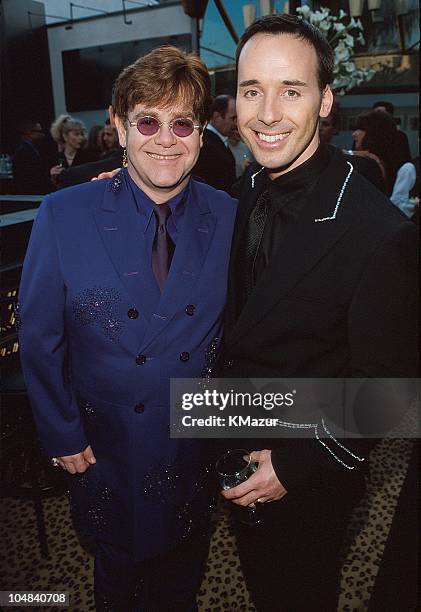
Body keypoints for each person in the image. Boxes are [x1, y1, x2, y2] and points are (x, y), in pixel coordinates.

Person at [18, 45, 237, 611]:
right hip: (105, 448)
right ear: (118, 127)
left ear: (201, 133)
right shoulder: (64, 214)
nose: (166, 138)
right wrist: (61, 432)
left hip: (190, 446)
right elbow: (41, 338)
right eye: (147, 120)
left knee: (181, 580)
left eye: (182, 122)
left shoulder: (231, 216)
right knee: (117, 583)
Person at [217, 15, 417, 611]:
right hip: (232, 436)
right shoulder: (247, 190)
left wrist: (294, 466)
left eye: (292, 90)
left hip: (306, 480)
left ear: (326, 100)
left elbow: (393, 391)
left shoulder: (378, 232)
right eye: (253, 90)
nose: (268, 112)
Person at [320, 106, 386, 193]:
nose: (319, 128)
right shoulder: (345, 155)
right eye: (316, 123)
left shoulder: (368, 162)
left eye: (325, 124)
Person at [352, 109, 405, 195]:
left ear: (374, 132)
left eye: (361, 129)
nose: (354, 134)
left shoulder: (369, 163)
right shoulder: (384, 162)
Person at [193, 94, 237, 191]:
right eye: (232, 118)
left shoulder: (218, 140)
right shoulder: (205, 145)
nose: (235, 124)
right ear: (217, 117)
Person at [49, 114, 92, 187]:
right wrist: (52, 176)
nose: (81, 137)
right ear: (65, 136)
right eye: (76, 134)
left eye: (82, 134)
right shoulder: (55, 158)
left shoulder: (88, 156)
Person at [12, 120, 51, 194]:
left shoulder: (33, 148)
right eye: (39, 132)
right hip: (30, 190)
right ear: (29, 133)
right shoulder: (23, 151)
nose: (43, 135)